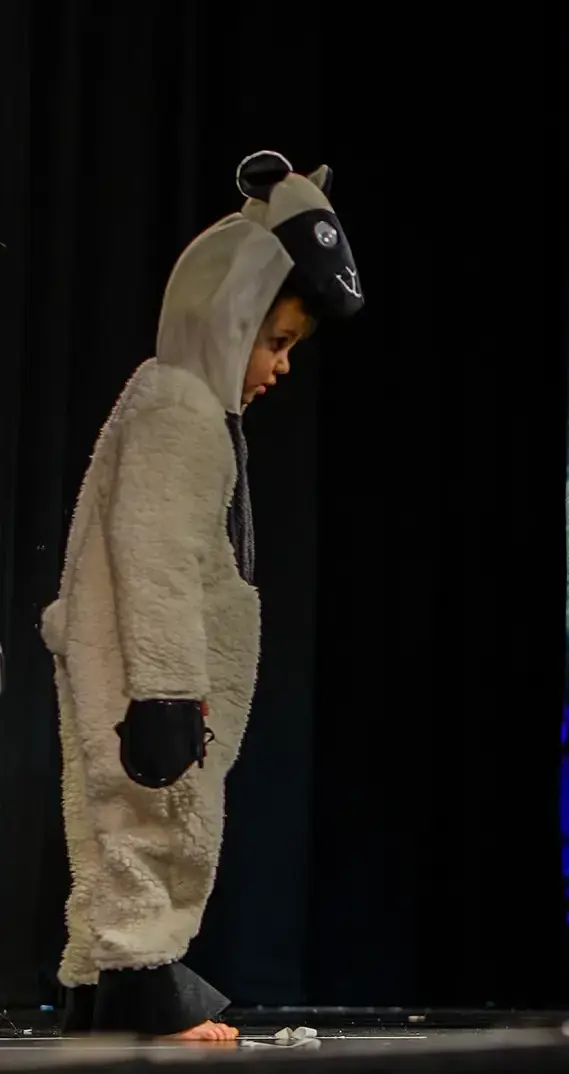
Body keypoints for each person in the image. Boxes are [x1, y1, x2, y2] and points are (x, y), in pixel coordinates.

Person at [40, 150, 365, 1040]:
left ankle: (100, 986)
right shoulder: (180, 412)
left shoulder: (164, 402)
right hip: (148, 676)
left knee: (111, 827)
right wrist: (168, 688)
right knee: (159, 822)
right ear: (228, 319)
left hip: (129, 666)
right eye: (276, 342)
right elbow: (154, 555)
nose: (281, 366)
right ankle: (142, 988)